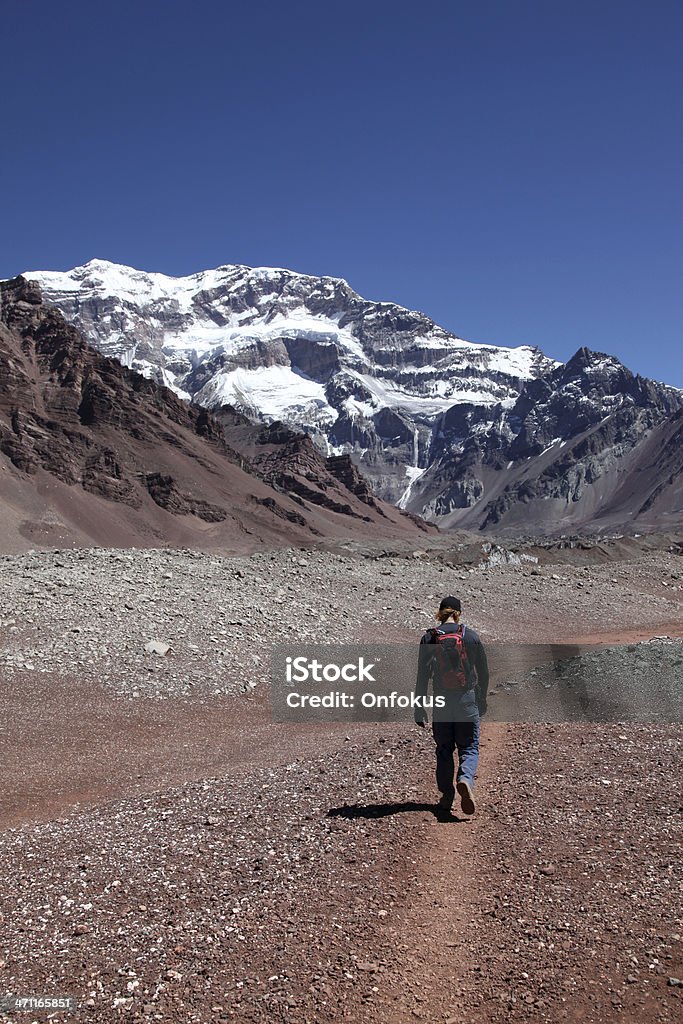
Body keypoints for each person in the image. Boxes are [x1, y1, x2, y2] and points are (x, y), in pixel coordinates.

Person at [414, 596, 489, 816]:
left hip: (442, 702)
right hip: (467, 700)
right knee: (469, 747)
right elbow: (483, 673)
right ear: (458, 613)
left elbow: (422, 676)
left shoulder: (429, 638)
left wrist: (419, 707)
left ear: (440, 613)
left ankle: (447, 796)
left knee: (444, 749)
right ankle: (465, 779)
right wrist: (482, 699)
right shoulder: (471, 637)